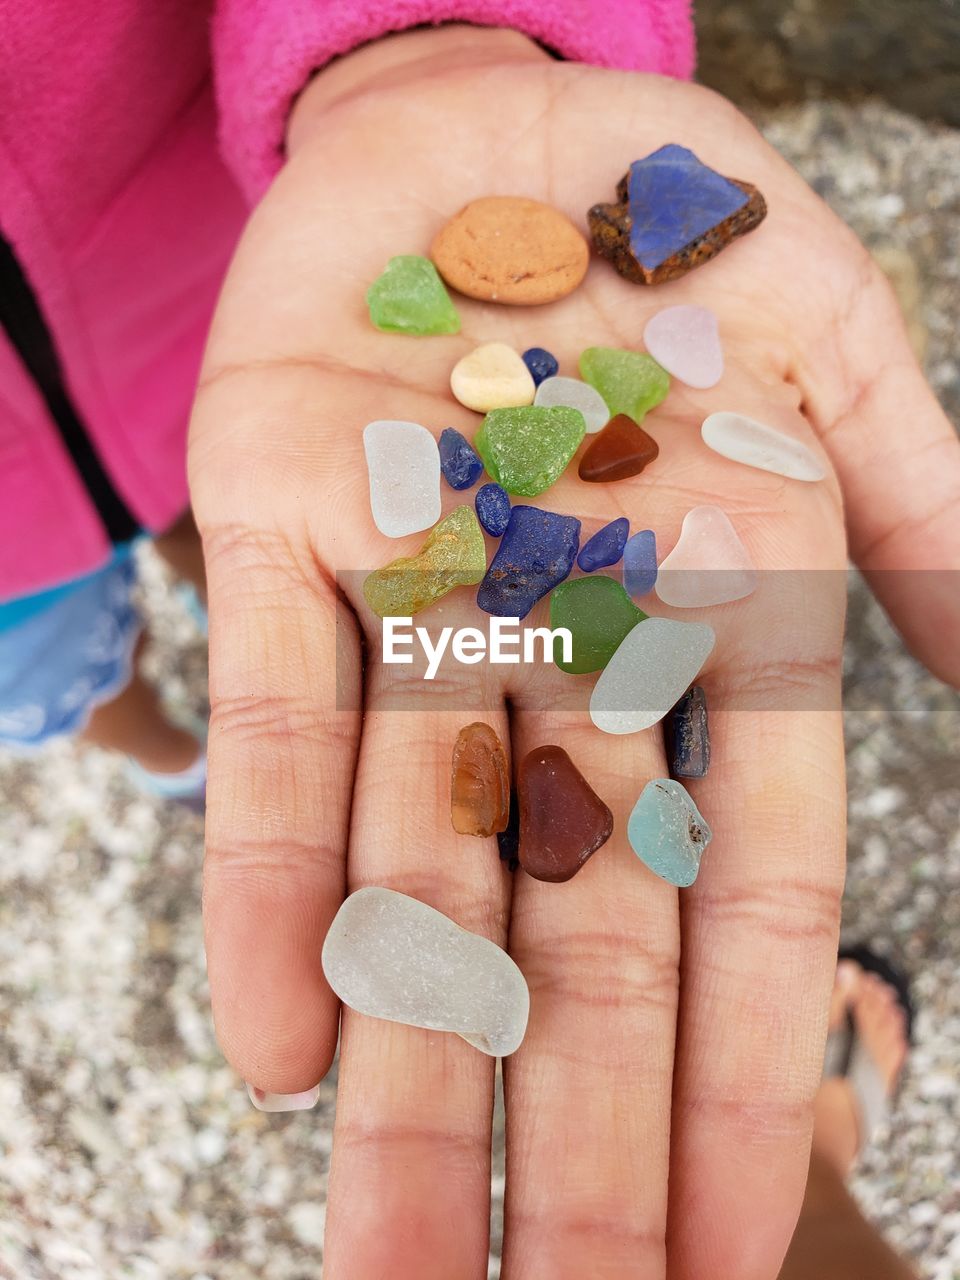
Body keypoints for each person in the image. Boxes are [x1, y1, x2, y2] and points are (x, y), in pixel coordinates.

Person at [1, 6, 957, 1277]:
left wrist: (423, 42)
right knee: (140, 626)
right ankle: (162, 738)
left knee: (247, 539)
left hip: (208, 278)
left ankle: (169, 710)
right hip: (45, 509)